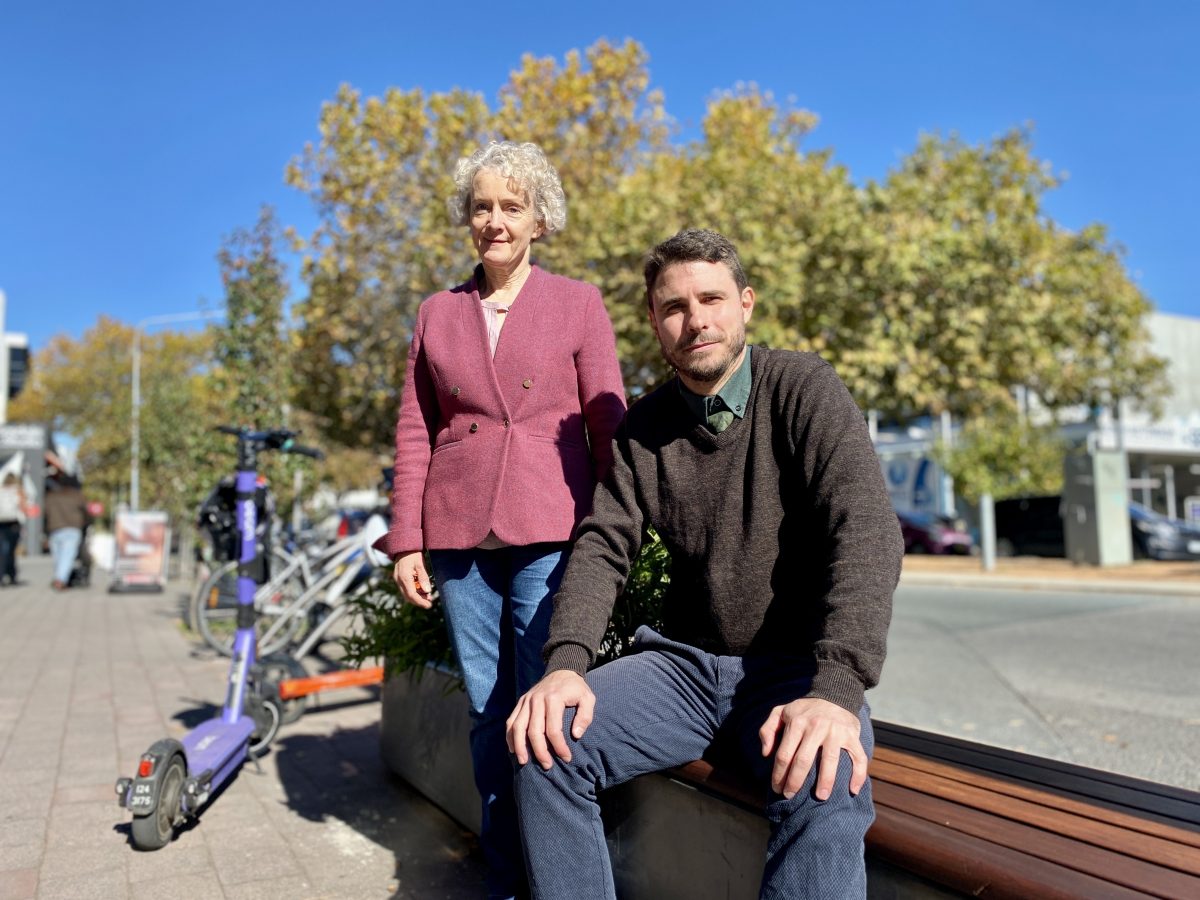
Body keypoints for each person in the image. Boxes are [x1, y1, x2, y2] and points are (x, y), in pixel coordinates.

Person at [506, 229, 904, 899]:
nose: (696, 320)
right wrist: (564, 666)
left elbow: (866, 529)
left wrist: (836, 691)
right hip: (684, 668)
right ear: (655, 325)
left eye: (712, 298)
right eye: (674, 307)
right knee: (547, 747)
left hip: (794, 668)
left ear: (745, 303)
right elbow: (604, 545)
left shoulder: (802, 387)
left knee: (826, 776)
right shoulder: (643, 429)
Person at [374, 141, 626, 898]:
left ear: (539, 220)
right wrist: (406, 540)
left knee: (541, 707)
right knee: (489, 713)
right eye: (481, 206)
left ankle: (560, 877)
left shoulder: (577, 303)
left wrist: (619, 522)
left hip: (551, 526)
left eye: (511, 206)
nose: (494, 220)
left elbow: (606, 420)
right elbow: (416, 430)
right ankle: (509, 878)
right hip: (457, 540)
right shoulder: (437, 313)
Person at [44, 452, 89, 591]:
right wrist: (85, 525)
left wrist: (46, 530)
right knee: (67, 555)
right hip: (72, 528)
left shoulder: (51, 496)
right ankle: (60, 580)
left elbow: (45, 514)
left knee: (59, 556)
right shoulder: (77, 496)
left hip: (55, 528)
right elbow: (86, 512)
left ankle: (60, 577)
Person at [0, 472, 25, 585]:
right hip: (13, 523)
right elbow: (23, 506)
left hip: (1, 522)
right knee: (11, 551)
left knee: (2, 551)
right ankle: (11, 575)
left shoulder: (1, 490)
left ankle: (2, 575)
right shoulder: (18, 490)